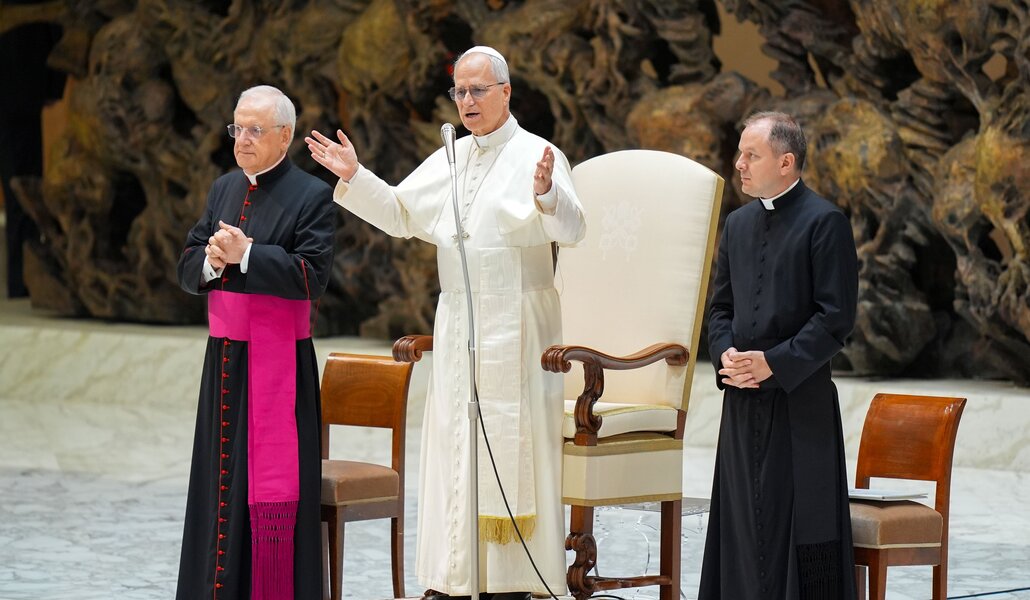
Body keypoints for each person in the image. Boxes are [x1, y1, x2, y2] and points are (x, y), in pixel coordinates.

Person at [306, 46, 586, 599]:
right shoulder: (450, 156)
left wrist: (547, 194)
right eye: (459, 91)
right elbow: (399, 213)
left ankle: (513, 579)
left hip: (520, 320)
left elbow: (573, 229)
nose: (467, 101)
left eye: (479, 90)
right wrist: (355, 176)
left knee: (514, 440)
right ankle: (457, 577)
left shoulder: (539, 153)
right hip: (459, 318)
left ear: (507, 92)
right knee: (455, 443)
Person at [175, 85, 335, 600]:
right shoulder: (223, 187)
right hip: (224, 360)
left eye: (254, 130)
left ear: (284, 136)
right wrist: (212, 262)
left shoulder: (311, 195)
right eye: (237, 128)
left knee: (263, 488)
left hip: (279, 367)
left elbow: (313, 277)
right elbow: (187, 264)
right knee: (216, 487)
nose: (241, 139)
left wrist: (247, 255)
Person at [699, 111, 858, 599]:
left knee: (799, 527)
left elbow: (835, 319)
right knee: (742, 525)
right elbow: (718, 307)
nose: (739, 164)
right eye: (740, 154)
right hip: (743, 403)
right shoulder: (738, 222)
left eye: (751, 155)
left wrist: (773, 364)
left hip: (799, 404)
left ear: (786, 161)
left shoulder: (825, 222)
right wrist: (727, 357)